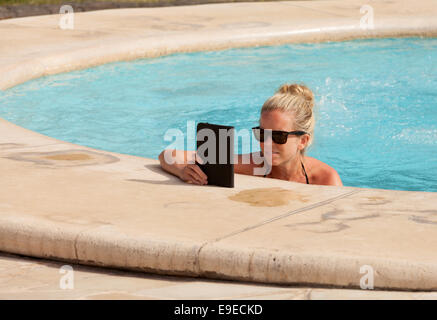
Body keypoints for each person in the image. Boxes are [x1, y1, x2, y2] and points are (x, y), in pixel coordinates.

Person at [159, 83, 342, 186]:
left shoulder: (325, 179)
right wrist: (182, 170)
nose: (267, 144)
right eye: (262, 135)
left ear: (303, 141)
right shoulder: (253, 165)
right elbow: (168, 155)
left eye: (278, 136)